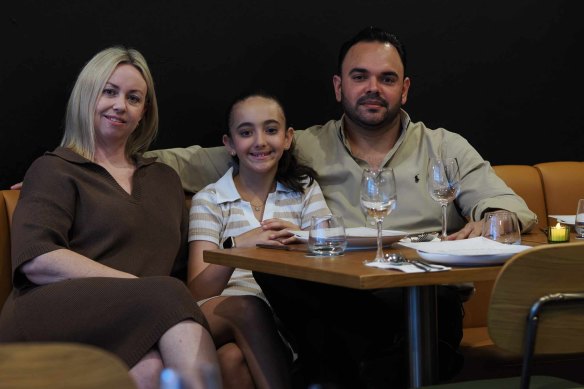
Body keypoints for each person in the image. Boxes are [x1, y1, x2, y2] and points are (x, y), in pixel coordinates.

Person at [148, 26, 540, 387]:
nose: (373, 87)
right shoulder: (302, 145)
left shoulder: (443, 147)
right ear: (339, 86)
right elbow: (210, 160)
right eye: (359, 77)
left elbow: (508, 207)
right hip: (339, 305)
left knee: (396, 338)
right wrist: (117, 157)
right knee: (295, 289)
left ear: (404, 90)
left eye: (386, 79)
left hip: (424, 301)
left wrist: (492, 220)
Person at [0, 47, 222, 389]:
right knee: (168, 295)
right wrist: (142, 288)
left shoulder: (164, 179)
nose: (121, 105)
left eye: (133, 98)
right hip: (50, 312)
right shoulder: (55, 168)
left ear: (143, 111)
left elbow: (181, 277)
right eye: (109, 91)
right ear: (88, 95)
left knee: (148, 372)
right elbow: (37, 260)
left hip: (141, 316)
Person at [188, 92, 331, 388]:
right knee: (248, 307)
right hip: (223, 309)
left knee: (231, 360)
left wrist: (301, 238)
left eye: (270, 129)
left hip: (287, 314)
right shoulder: (210, 200)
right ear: (229, 144)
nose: (260, 142)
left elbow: (332, 258)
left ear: (288, 137)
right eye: (245, 132)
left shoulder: (304, 190)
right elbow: (197, 290)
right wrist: (237, 249)